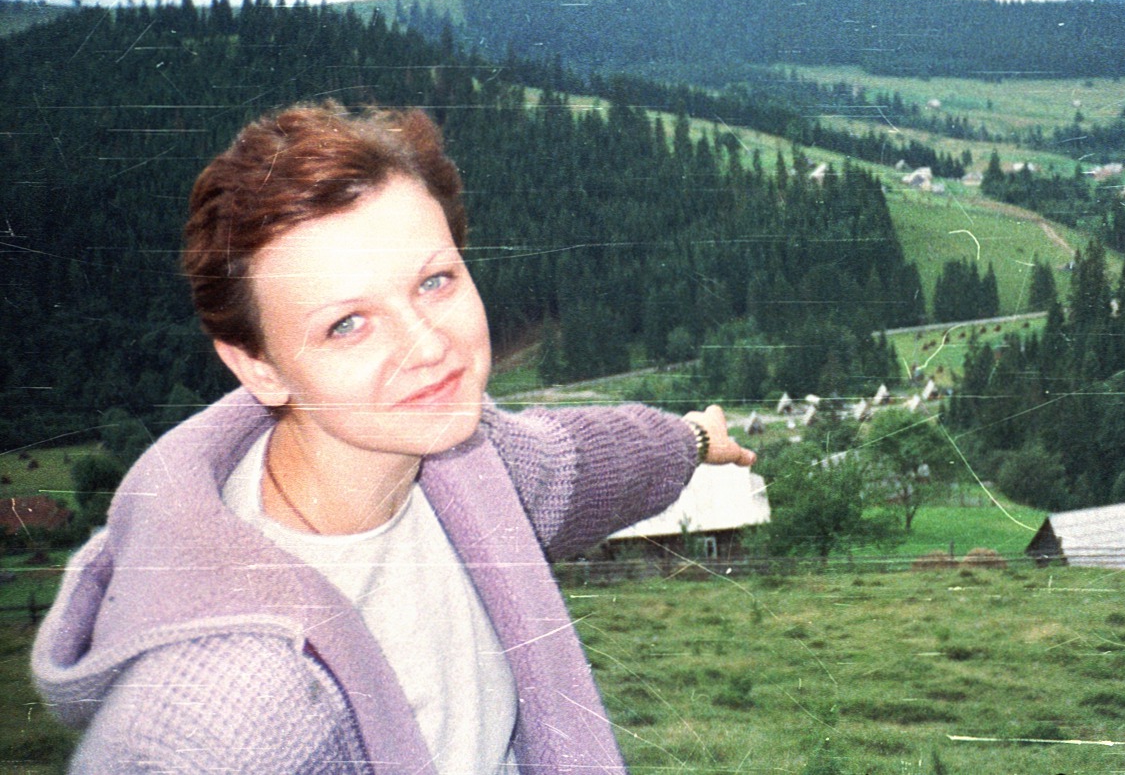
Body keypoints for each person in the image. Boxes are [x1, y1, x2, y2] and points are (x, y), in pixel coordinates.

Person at [32, 101, 755, 773]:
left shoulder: (468, 472)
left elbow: (584, 463)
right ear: (258, 367)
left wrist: (694, 438)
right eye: (347, 324)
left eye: (434, 282)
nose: (428, 346)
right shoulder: (215, 712)